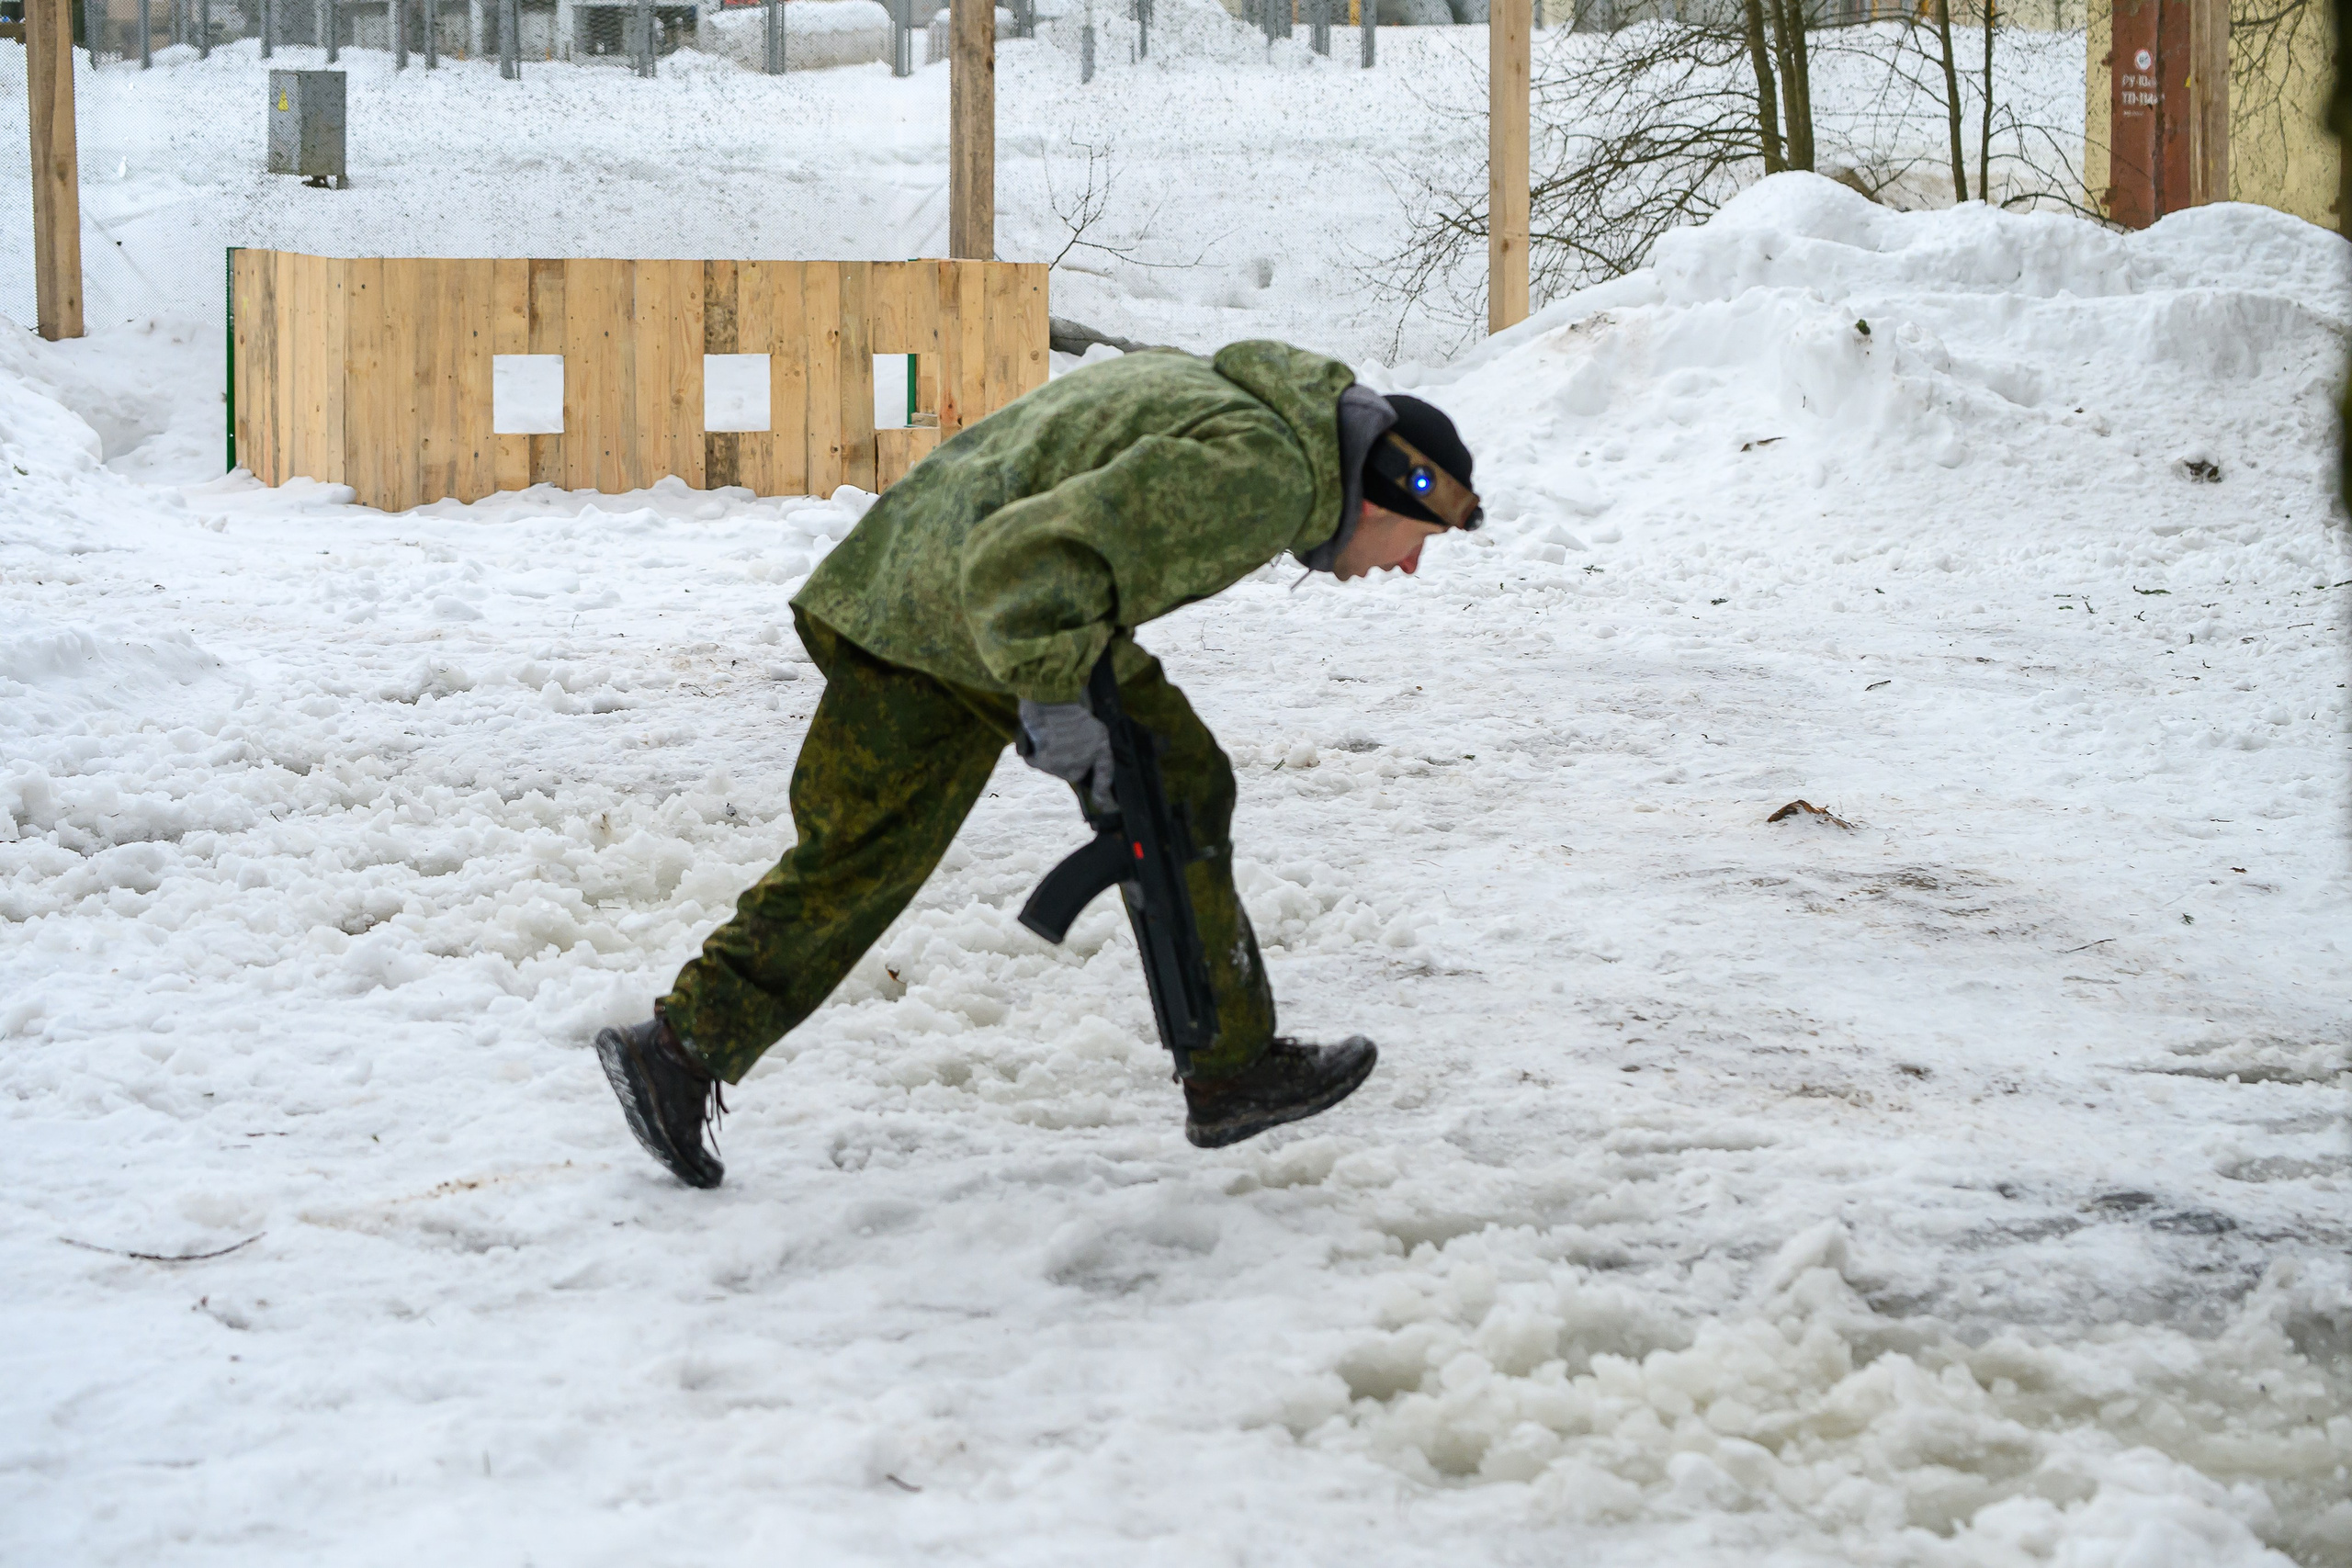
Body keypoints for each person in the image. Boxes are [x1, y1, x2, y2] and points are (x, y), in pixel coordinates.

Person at [595, 340, 1481, 1188]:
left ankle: (676, 1052)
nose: (1407, 565)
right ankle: (1231, 1065)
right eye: (1419, 538)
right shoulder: (1269, 471)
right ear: (1382, 494)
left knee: (858, 853)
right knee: (1177, 779)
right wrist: (1059, 701)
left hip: (905, 583)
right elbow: (1032, 563)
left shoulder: (1254, 418)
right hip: (993, 600)